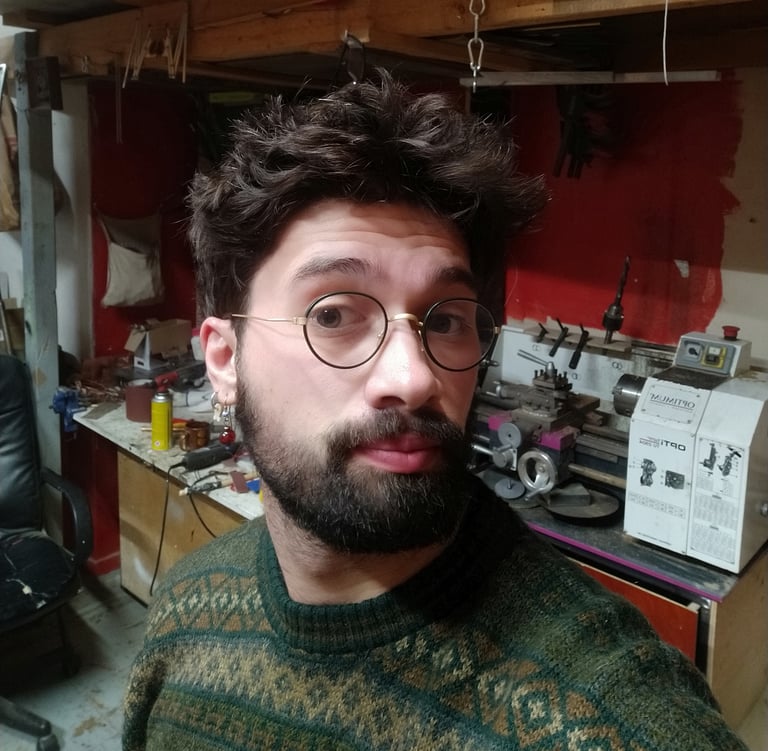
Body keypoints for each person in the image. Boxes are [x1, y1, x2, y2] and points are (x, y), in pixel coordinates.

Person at [123, 71, 748, 751]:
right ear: (223, 359)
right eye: (333, 314)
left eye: (445, 320)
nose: (415, 377)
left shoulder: (607, 716)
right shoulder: (186, 607)